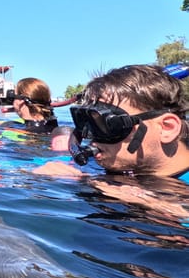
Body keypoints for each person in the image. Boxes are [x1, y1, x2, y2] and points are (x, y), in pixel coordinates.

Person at [33, 64, 189, 218]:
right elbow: (15, 170)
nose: (92, 139)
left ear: (167, 128)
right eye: (87, 122)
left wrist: (152, 203)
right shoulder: (92, 165)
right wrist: (35, 175)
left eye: (106, 123)